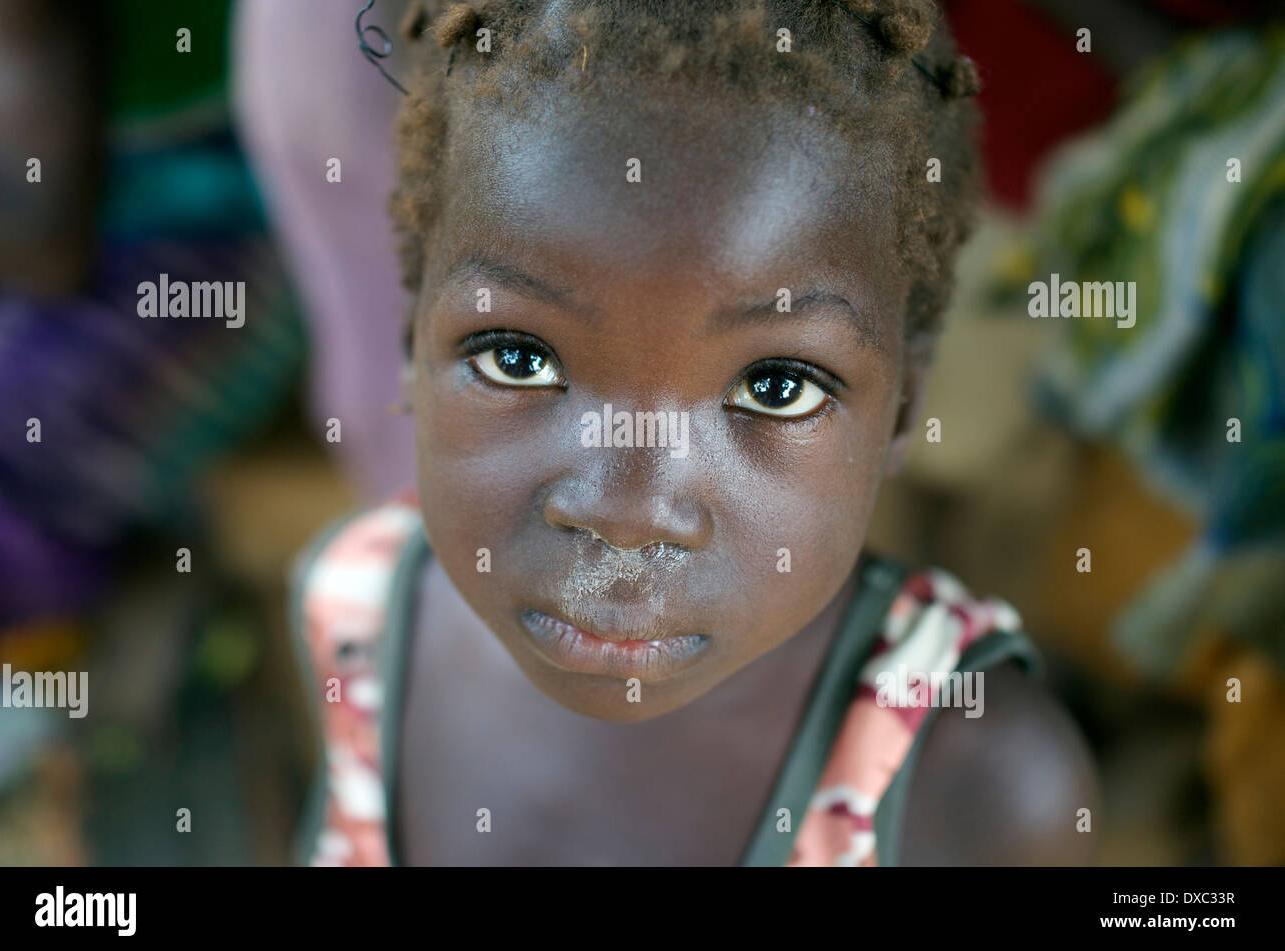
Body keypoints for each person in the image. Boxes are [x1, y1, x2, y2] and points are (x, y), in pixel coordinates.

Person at [291, 0, 1099, 866]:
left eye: (776, 386)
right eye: (518, 359)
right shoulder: (356, 615)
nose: (628, 511)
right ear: (412, 343)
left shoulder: (976, 780)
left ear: (902, 406)